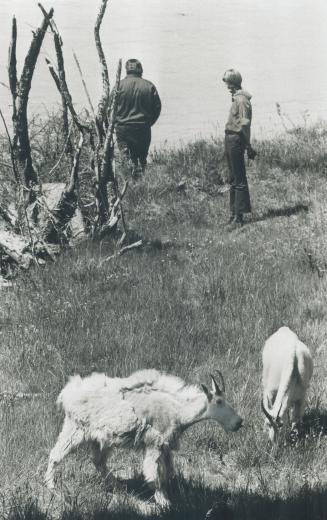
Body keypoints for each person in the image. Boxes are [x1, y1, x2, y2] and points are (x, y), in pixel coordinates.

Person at [115, 59, 161, 179]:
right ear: (140, 69)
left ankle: (128, 185)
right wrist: (149, 123)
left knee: (126, 159)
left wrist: (116, 122)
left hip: (122, 129)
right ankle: (142, 184)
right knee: (141, 160)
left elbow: (110, 108)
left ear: (127, 70)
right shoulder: (149, 86)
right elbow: (157, 108)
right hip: (142, 128)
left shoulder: (118, 86)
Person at [222, 69, 256, 228]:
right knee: (233, 179)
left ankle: (239, 218)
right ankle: (234, 214)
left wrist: (248, 146)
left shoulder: (241, 100)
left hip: (236, 140)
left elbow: (244, 125)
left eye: (229, 83)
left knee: (239, 179)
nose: (228, 87)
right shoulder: (237, 99)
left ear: (235, 83)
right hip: (230, 139)